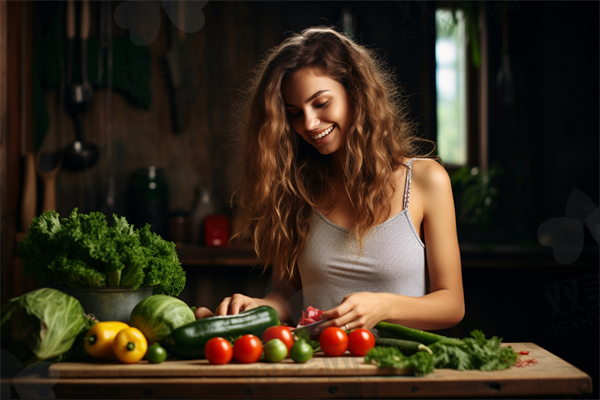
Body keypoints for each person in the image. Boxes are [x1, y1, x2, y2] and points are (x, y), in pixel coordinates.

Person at [198, 26, 464, 332]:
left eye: (321, 103)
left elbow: (452, 304)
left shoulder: (425, 180)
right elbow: (287, 297)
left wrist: (384, 306)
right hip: (315, 368)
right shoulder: (296, 189)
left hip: (399, 370)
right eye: (295, 113)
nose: (309, 124)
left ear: (356, 93)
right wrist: (257, 307)